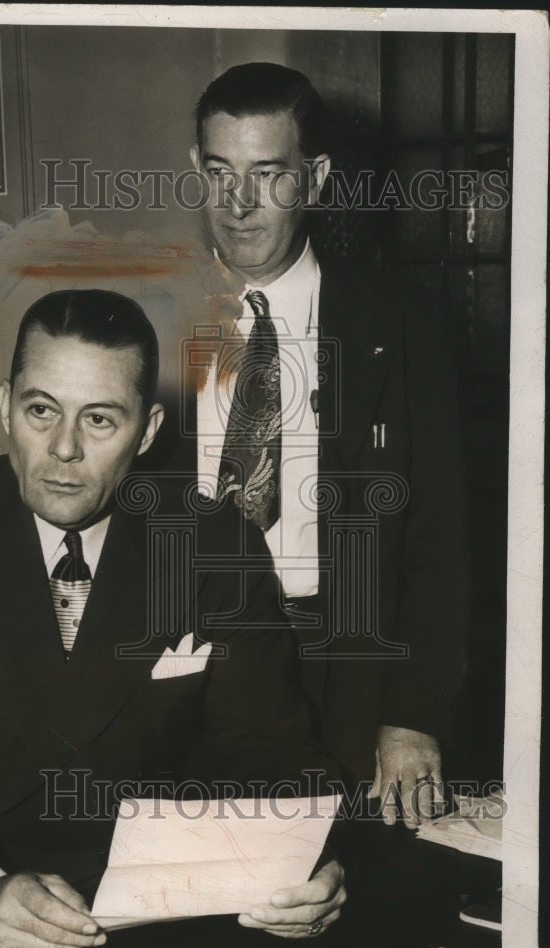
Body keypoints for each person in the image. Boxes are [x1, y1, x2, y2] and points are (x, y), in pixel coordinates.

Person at [0, 288, 345, 948]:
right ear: (7, 404)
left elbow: (271, 745)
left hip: (137, 919)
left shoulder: (212, 541)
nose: (63, 449)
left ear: (147, 431)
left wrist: (305, 854)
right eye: (42, 411)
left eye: (100, 419)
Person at [176, 63, 467, 825]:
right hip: (188, 668)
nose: (238, 205)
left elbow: (442, 538)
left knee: (350, 893)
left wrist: (414, 712)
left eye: (268, 174)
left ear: (315, 178)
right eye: (220, 172)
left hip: (348, 670)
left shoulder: (402, 321)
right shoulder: (147, 318)